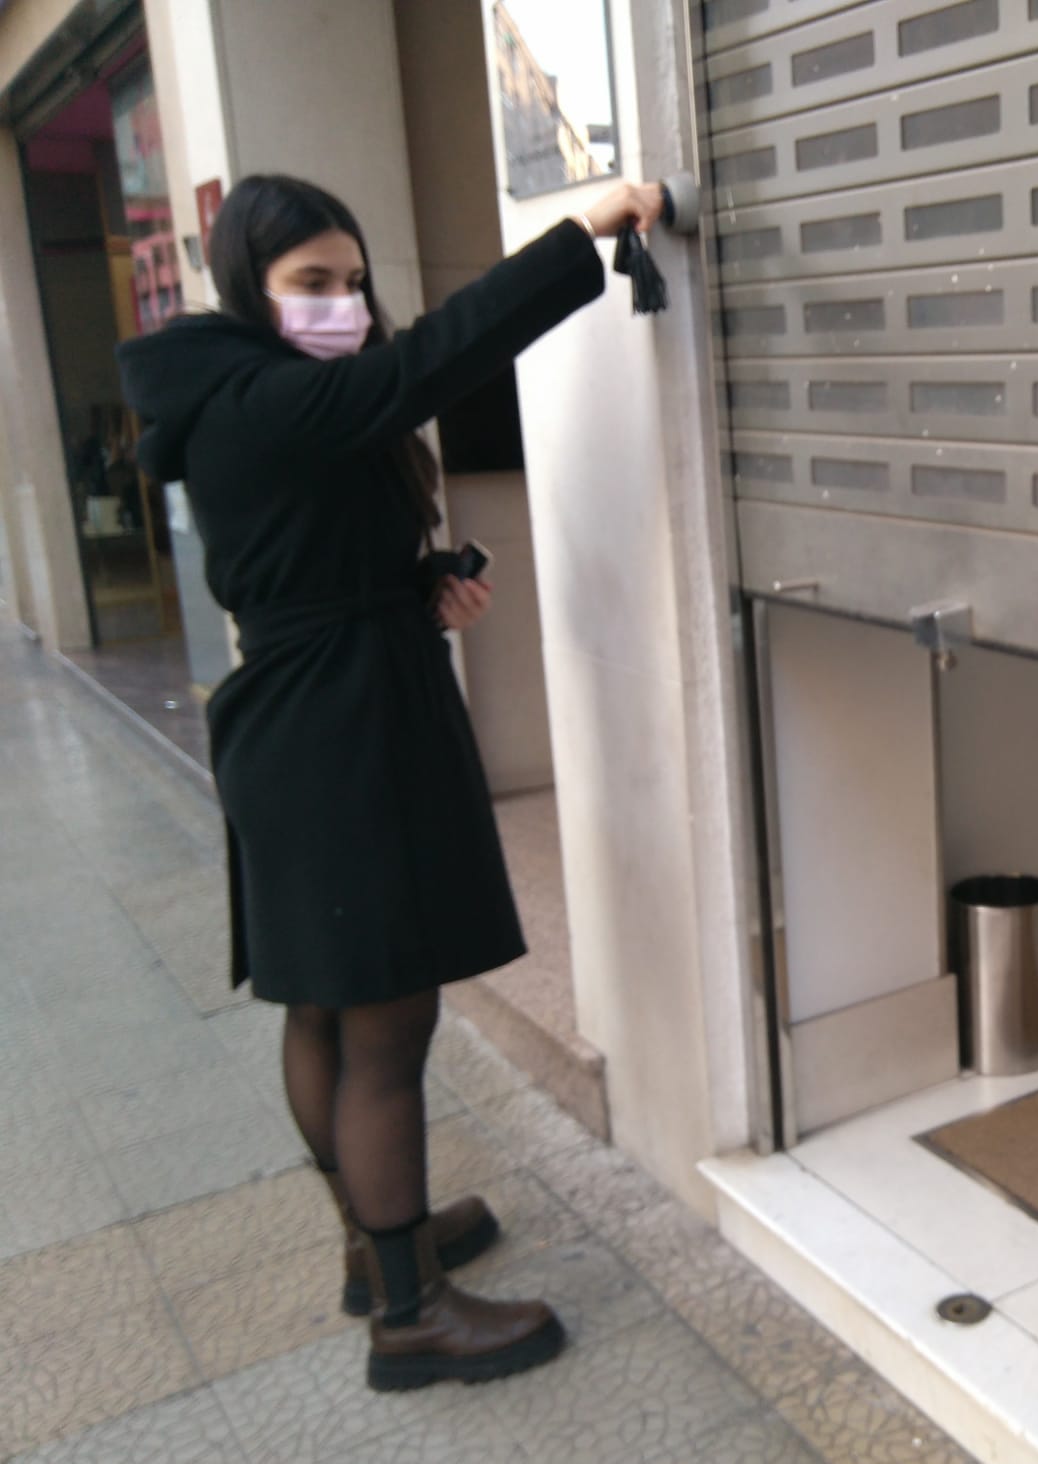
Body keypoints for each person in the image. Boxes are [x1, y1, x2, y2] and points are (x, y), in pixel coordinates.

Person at [118, 172, 667, 1390]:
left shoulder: (256, 397)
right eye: (312, 284)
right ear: (249, 293)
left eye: (354, 282)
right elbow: (424, 366)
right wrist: (575, 236)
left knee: (325, 1001)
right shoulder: (260, 396)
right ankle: (411, 1317)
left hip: (314, 704)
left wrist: (419, 591)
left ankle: (380, 1250)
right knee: (382, 1017)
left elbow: (303, 562)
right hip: (333, 729)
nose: (343, 306)